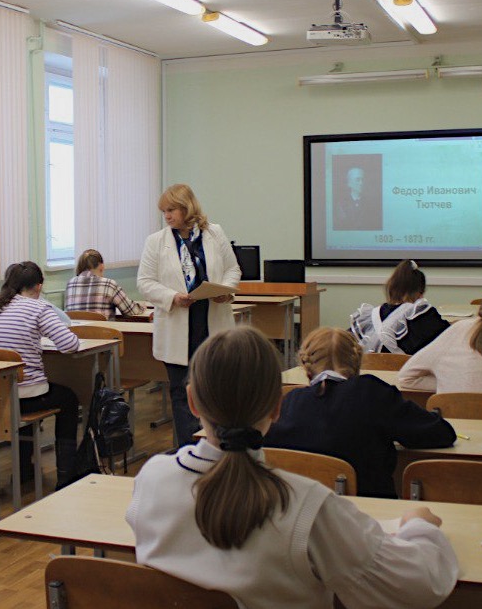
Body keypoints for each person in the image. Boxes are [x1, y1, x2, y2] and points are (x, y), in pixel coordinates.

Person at [126, 326, 458, 609]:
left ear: (192, 403)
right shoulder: (308, 507)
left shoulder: (152, 478)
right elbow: (420, 586)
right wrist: (419, 527)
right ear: (276, 408)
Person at [265, 328, 456, 497]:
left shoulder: (290, 401)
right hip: (371, 511)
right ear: (356, 363)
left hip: (304, 512)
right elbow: (440, 433)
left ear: (307, 369)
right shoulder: (371, 392)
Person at [0, 261, 82, 488]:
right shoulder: (39, 309)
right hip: (28, 395)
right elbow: (70, 344)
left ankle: (24, 470)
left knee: (20, 407)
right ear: (39, 286)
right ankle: (66, 475)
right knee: (69, 399)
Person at [137, 184, 240, 447]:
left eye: (171, 210)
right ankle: (188, 450)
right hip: (178, 324)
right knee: (182, 394)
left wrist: (225, 290)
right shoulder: (156, 241)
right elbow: (145, 282)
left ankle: (219, 447)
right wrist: (172, 297)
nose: (167, 216)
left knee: (215, 391)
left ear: (187, 208)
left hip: (211, 321)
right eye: (164, 211)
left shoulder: (214, 233)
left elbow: (232, 269)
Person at [350, 260, 449, 354]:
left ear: (391, 288)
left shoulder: (367, 318)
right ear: (420, 292)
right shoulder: (422, 314)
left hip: (372, 366)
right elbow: (448, 340)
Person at [64, 248, 146, 319]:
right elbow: (130, 311)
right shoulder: (109, 284)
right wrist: (141, 307)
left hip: (75, 332)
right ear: (101, 266)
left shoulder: (70, 284)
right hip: (103, 331)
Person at [334, 165, 380, 231]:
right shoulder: (341, 204)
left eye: (363, 180)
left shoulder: (371, 204)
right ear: (349, 183)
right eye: (357, 180)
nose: (361, 183)